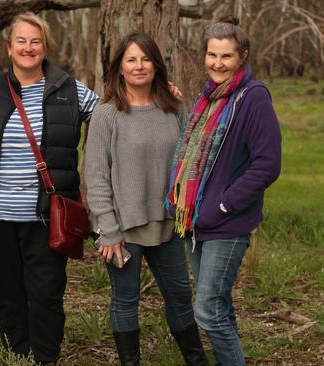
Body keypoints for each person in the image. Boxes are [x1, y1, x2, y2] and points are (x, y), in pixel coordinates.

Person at [0, 12, 100, 365]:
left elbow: (112, 113)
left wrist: (156, 93)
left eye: (36, 41)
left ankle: (45, 358)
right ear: (9, 47)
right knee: (6, 292)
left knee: (46, 294)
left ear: (45, 47)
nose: (28, 48)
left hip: (47, 216)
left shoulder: (69, 89)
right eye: (21, 41)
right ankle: (18, 353)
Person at [85, 32, 208, 366]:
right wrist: (107, 230)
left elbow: (190, 159)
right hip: (122, 230)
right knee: (125, 301)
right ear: (120, 68)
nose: (139, 66)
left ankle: (197, 360)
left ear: (156, 65)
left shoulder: (174, 106)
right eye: (131, 60)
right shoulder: (107, 113)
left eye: (145, 59)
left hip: (166, 225)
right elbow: (95, 175)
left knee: (181, 297)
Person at [166, 17, 282, 366]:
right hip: (198, 223)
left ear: (242, 57)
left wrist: (223, 204)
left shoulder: (253, 98)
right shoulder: (208, 99)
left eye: (227, 56)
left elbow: (267, 165)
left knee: (208, 312)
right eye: (212, 54)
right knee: (219, 307)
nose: (217, 63)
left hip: (226, 223)